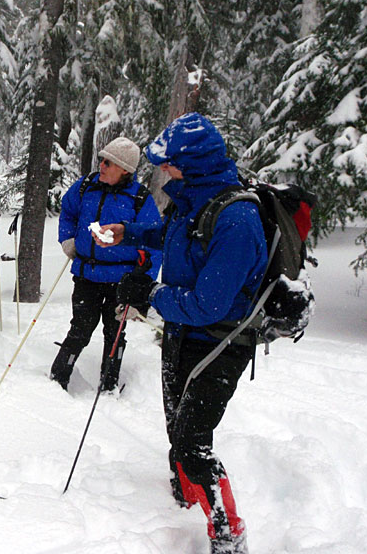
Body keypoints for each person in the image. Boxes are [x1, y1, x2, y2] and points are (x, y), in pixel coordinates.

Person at [97, 113, 266, 554]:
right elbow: (173, 235)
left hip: (221, 342)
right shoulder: (192, 199)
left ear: (191, 163)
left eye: (168, 163)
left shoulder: (238, 219)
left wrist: (151, 295)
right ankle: (187, 499)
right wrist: (128, 232)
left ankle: (229, 534)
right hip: (181, 334)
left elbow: (208, 303)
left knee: (193, 440)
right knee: (178, 428)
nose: (163, 170)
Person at [49, 136, 162, 393]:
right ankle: (57, 380)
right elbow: (67, 212)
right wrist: (68, 240)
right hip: (86, 274)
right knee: (80, 329)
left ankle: (108, 387)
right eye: (101, 160)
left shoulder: (140, 199)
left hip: (121, 281)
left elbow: (153, 244)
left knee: (114, 334)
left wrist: (141, 290)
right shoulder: (85, 187)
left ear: (125, 169)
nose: (101, 165)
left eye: (108, 162)